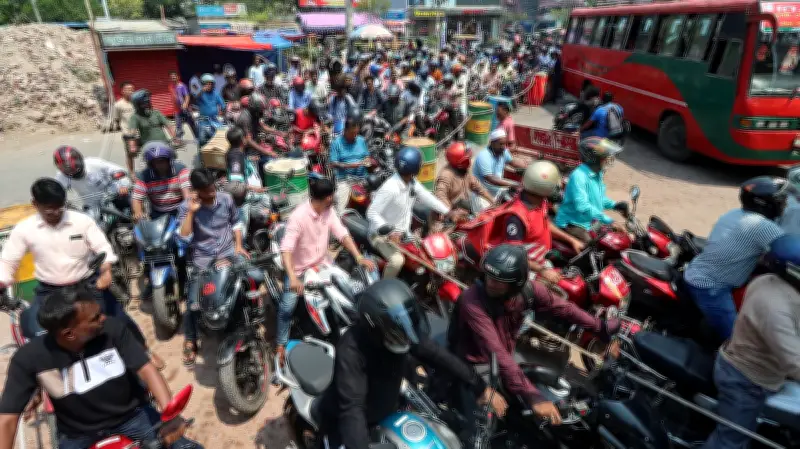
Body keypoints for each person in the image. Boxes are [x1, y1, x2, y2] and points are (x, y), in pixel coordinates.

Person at [448, 244, 617, 440]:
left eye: (499, 281)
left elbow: (565, 309)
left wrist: (601, 327)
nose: (491, 283)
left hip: (506, 355)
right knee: (479, 434)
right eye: (489, 276)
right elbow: (496, 351)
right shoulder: (472, 302)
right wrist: (532, 396)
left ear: (516, 283)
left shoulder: (529, 290)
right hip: (475, 365)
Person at [318, 279, 507, 449]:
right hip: (345, 425)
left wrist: (480, 387)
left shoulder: (399, 331)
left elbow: (438, 355)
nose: (407, 339)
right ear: (375, 327)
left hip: (389, 409)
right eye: (398, 335)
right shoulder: (351, 351)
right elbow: (352, 409)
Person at [0, 289, 200, 449]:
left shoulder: (113, 330)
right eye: (95, 318)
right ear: (69, 334)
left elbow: (146, 369)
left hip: (133, 417)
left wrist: (170, 416)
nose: (103, 318)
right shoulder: (29, 358)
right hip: (77, 436)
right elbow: (7, 418)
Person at [0, 178, 163, 370]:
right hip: (50, 290)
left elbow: (103, 248)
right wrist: (2, 282)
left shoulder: (81, 221)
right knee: (39, 330)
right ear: (35, 204)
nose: (56, 213)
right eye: (49, 210)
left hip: (87, 284)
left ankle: (144, 351)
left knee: (118, 318)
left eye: (60, 208)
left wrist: (106, 272)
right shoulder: (24, 229)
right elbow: (8, 261)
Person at [701, 234, 800, 449]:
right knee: (731, 442)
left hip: (766, 370)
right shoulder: (775, 309)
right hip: (746, 381)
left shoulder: (769, 281)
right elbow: (795, 362)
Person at [277, 176, 376, 364]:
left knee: (347, 292)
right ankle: (280, 344)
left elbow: (342, 234)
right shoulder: (298, 217)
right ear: (328, 197)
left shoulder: (328, 211)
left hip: (323, 264)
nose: (334, 199)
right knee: (286, 307)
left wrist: (358, 257)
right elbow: (286, 249)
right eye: (332, 195)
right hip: (300, 270)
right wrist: (292, 277)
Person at [684, 176, 787, 342]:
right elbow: (791, 249)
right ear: (766, 204)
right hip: (712, 288)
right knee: (736, 342)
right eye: (780, 201)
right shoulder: (762, 226)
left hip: (697, 271)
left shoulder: (734, 213)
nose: (784, 205)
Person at [464, 162, 585, 278]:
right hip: (525, 268)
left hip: (541, 261)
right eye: (554, 186)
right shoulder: (516, 218)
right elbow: (514, 255)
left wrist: (572, 240)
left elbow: (544, 223)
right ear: (544, 188)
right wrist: (542, 270)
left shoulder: (540, 202)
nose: (557, 190)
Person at [176, 168, 248, 365]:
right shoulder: (185, 207)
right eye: (206, 190)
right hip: (203, 260)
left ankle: (243, 325)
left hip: (228, 253)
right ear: (196, 190)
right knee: (193, 304)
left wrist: (239, 246)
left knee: (250, 282)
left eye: (212, 187)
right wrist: (192, 212)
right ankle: (190, 339)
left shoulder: (226, 199)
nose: (212, 192)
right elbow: (184, 237)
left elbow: (236, 223)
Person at [367, 148, 465, 279]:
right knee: (397, 261)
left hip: (404, 234)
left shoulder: (411, 183)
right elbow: (371, 212)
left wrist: (448, 212)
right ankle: (384, 285)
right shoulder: (390, 188)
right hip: (380, 236)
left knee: (426, 256)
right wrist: (390, 232)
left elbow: (427, 197)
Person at [553, 137, 628, 243]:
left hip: (588, 220)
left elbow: (599, 198)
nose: (607, 159)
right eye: (604, 157)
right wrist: (609, 221)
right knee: (593, 247)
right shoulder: (579, 176)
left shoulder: (597, 173)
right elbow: (582, 206)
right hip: (572, 223)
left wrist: (614, 205)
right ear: (594, 158)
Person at [53, 145, 131, 209]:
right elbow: (53, 192)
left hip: (114, 195)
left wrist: (122, 186)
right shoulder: (61, 177)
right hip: (92, 206)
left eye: (73, 167)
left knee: (129, 206)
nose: (70, 171)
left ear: (79, 159)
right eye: (65, 168)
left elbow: (121, 171)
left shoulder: (94, 163)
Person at [131, 142, 191, 221]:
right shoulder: (144, 176)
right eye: (155, 162)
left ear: (168, 160)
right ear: (151, 163)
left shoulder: (181, 170)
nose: (159, 165)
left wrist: (188, 210)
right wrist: (138, 213)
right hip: (157, 214)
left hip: (180, 211)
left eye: (162, 161)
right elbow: (137, 198)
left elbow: (187, 195)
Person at [434, 141, 494, 214]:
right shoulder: (446, 175)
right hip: (449, 214)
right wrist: (451, 213)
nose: (470, 161)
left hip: (463, 208)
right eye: (468, 159)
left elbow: (479, 188)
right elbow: (440, 196)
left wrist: (493, 202)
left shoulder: (464, 170)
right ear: (461, 161)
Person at [329, 115, 370, 214]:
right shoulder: (336, 143)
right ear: (345, 131)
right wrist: (350, 165)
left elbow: (366, 156)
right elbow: (333, 163)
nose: (355, 135)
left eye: (356, 133)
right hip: (345, 179)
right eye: (352, 133)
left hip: (362, 178)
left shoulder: (361, 140)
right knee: (341, 208)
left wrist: (367, 161)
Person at [472, 128, 528, 200]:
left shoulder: (503, 151)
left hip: (497, 187)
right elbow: (491, 179)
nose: (503, 147)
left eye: (505, 144)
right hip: (482, 192)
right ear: (492, 143)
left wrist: (529, 169)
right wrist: (513, 185)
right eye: (501, 144)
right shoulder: (484, 156)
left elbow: (514, 163)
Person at [127, 89, 177, 156]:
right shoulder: (135, 117)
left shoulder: (156, 113)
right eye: (144, 102)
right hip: (149, 148)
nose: (147, 103)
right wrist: (132, 147)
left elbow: (169, 126)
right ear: (137, 105)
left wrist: (175, 138)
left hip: (164, 144)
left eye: (148, 101)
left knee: (173, 157)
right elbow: (132, 133)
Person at [168, 72, 196, 143]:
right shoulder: (170, 86)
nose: (173, 78)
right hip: (177, 110)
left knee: (191, 124)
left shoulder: (182, 86)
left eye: (174, 77)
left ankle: (197, 137)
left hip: (185, 109)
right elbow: (173, 97)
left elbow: (187, 96)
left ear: (178, 77)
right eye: (171, 77)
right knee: (178, 125)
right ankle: (179, 140)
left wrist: (185, 104)